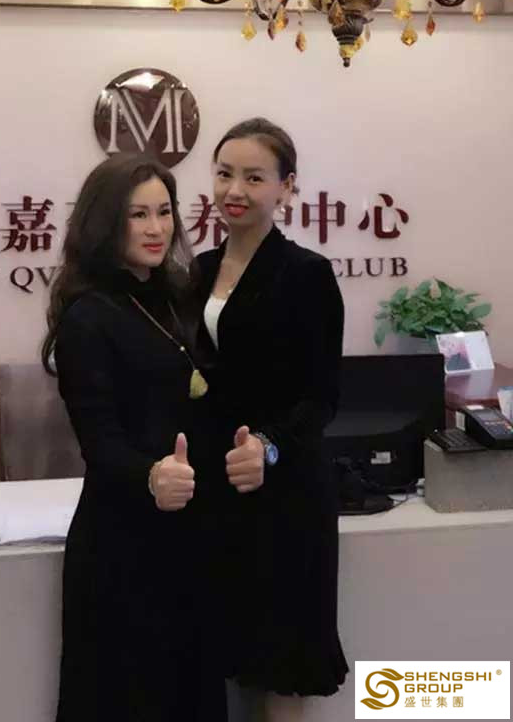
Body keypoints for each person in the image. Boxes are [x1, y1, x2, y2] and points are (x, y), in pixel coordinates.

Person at [42, 153, 226, 722]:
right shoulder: (88, 316)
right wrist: (150, 475)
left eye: (164, 212)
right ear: (105, 222)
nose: (156, 228)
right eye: (137, 214)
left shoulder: (178, 295)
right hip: (123, 544)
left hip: (190, 533)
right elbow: (99, 442)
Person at [196, 118, 349, 721]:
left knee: (280, 670)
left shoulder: (306, 273)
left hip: (285, 496)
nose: (234, 190)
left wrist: (269, 445)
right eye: (224, 174)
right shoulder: (197, 270)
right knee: (232, 656)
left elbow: (322, 397)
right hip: (218, 488)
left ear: (287, 187)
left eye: (254, 178)